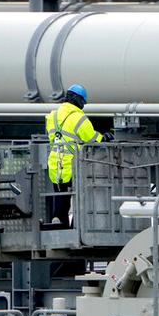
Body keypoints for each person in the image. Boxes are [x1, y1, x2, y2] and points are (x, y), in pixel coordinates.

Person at [45, 84, 112, 226]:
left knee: (61, 196)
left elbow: (53, 139)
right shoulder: (79, 118)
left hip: (55, 163)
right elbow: (92, 139)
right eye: (83, 102)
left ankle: (59, 224)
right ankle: (76, 226)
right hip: (73, 163)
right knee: (80, 199)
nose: (83, 106)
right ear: (76, 99)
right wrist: (104, 137)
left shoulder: (53, 116)